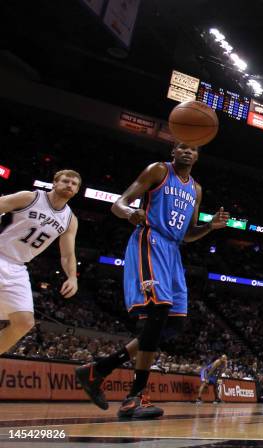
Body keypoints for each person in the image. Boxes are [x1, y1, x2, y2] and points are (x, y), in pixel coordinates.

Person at [75, 143, 229, 419]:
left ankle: (98, 370)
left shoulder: (196, 188)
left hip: (173, 251)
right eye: (182, 146)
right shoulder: (158, 170)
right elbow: (118, 204)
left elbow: (188, 234)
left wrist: (209, 226)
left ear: (198, 156)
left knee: (173, 324)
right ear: (173, 151)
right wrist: (129, 213)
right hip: (150, 240)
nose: (187, 151)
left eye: (193, 149)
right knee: (157, 313)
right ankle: (133, 397)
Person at [0, 170, 80, 355]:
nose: (69, 185)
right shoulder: (30, 197)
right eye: (66, 181)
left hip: (18, 267)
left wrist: (72, 277)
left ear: (76, 191)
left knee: (24, 323)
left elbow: (67, 255)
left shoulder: (70, 220)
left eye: (74, 184)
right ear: (54, 183)